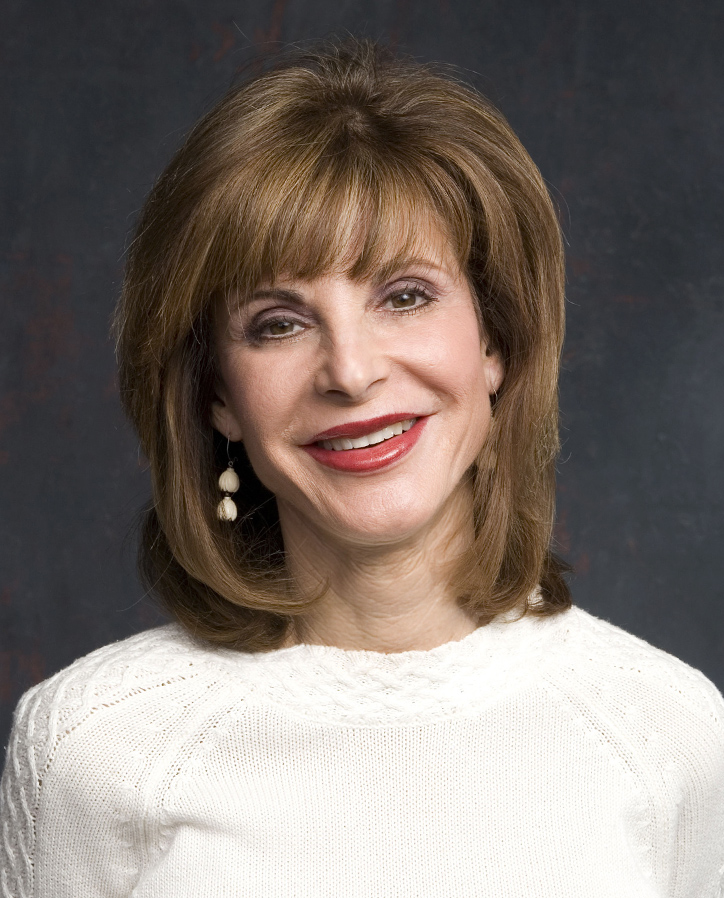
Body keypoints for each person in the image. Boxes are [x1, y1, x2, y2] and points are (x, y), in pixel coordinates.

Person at [1, 38, 723, 898]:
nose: (350, 371)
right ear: (217, 395)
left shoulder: (669, 737)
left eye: (404, 296)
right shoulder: (92, 747)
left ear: (494, 341)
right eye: (278, 323)